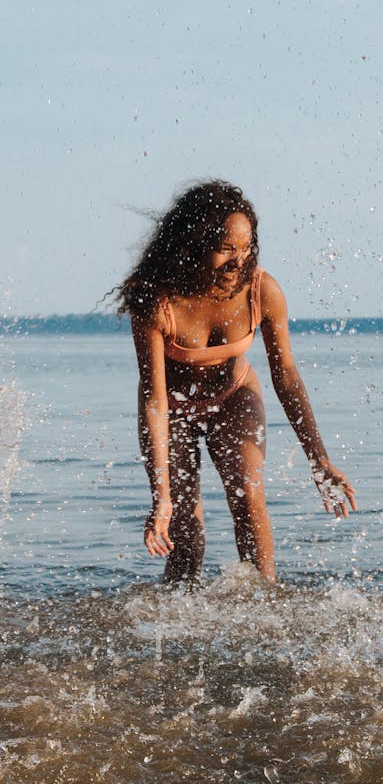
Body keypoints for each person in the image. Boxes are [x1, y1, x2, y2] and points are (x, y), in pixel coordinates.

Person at [115, 180, 356, 585]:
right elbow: (154, 398)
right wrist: (162, 497)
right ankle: (177, 623)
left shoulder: (263, 290)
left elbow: (287, 377)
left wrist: (319, 460)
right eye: (225, 248)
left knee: (247, 501)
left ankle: (264, 606)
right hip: (171, 410)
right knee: (186, 531)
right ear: (192, 243)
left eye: (245, 247)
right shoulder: (157, 301)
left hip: (233, 396)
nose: (238, 260)